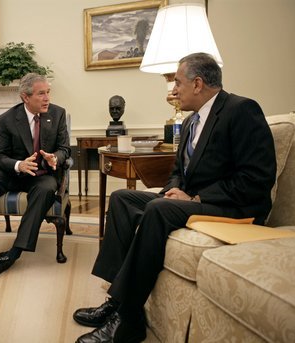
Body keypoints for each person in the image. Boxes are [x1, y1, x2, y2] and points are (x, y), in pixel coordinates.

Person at [73, 52, 276, 343]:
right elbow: (178, 170)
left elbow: (256, 179)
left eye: (178, 83)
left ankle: (128, 320)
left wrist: (194, 197)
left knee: (158, 210)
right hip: (197, 200)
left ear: (197, 83)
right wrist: (173, 189)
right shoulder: (194, 120)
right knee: (122, 198)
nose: (173, 90)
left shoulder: (241, 110)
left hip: (237, 208)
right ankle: (115, 301)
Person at [0, 73, 70, 275]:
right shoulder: (6, 119)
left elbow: (64, 149)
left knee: (46, 189)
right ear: (25, 97)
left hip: (41, 175)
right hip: (12, 173)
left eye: (48, 93)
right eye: (41, 94)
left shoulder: (58, 114)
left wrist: (56, 158)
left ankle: (14, 252)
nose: (47, 98)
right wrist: (18, 165)